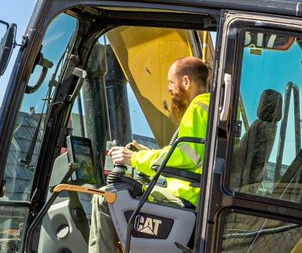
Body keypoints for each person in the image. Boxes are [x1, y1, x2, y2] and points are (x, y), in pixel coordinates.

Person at [88, 56, 211, 253]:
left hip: (186, 197)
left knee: (105, 198)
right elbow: (189, 153)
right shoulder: (212, 107)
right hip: (195, 194)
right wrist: (148, 154)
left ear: (186, 81)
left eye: (172, 82)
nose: (170, 89)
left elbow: (188, 157)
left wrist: (134, 159)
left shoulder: (198, 109)